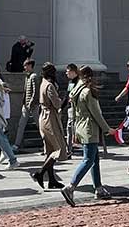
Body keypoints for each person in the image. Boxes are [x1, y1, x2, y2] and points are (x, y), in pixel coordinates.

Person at [60, 66, 113, 206]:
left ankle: (99, 188)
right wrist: (108, 129)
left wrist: (76, 132)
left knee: (94, 159)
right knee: (88, 160)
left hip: (81, 127)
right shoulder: (88, 92)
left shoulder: (76, 91)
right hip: (90, 128)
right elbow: (96, 113)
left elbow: (75, 114)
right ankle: (70, 187)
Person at [29, 62, 66, 190]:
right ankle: (40, 173)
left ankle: (52, 180)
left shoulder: (43, 83)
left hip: (43, 117)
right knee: (58, 149)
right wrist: (65, 99)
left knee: (50, 150)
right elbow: (57, 104)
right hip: (50, 118)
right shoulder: (49, 86)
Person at [11, 58, 39, 151]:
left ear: (30, 66)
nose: (24, 67)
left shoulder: (34, 76)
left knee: (40, 125)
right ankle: (16, 144)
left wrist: (31, 102)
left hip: (33, 105)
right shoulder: (27, 76)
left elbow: (35, 91)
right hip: (26, 105)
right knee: (21, 125)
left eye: (26, 65)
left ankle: (47, 143)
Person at [62, 63, 79, 157]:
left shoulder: (78, 82)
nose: (66, 73)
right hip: (71, 108)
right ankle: (69, 149)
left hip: (76, 108)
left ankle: (70, 149)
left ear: (73, 72)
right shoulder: (71, 82)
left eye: (67, 71)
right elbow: (67, 95)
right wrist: (62, 106)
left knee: (72, 128)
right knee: (69, 128)